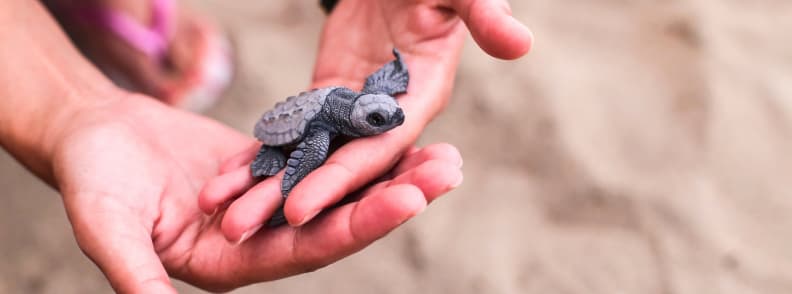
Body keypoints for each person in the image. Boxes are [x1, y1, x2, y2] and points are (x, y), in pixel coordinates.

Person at [0, 0, 532, 292]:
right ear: (355, 119)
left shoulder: (362, 99)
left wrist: (396, 72)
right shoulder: (321, 132)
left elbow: (382, 91)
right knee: (287, 171)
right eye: (380, 118)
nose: (389, 119)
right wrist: (66, 111)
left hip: (318, 106)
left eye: (385, 116)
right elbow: (303, 160)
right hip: (282, 128)